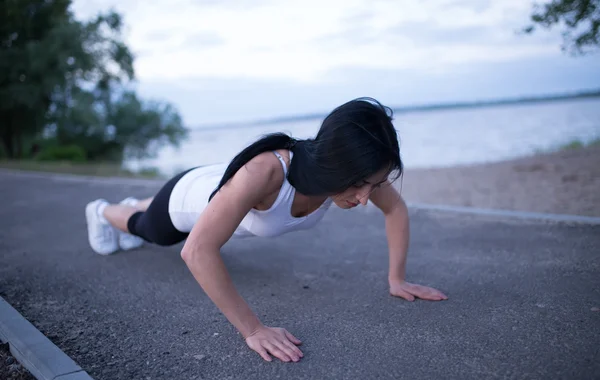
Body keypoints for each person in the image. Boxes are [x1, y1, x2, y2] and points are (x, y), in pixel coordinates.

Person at [84, 97, 448, 363]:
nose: (366, 198)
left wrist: (396, 279)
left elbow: (396, 209)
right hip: (186, 200)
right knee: (151, 230)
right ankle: (103, 211)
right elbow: (197, 252)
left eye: (374, 184)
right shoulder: (267, 173)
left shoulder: (358, 174)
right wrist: (253, 330)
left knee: (156, 212)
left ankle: (139, 202)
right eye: (359, 186)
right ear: (336, 165)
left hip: (220, 184)